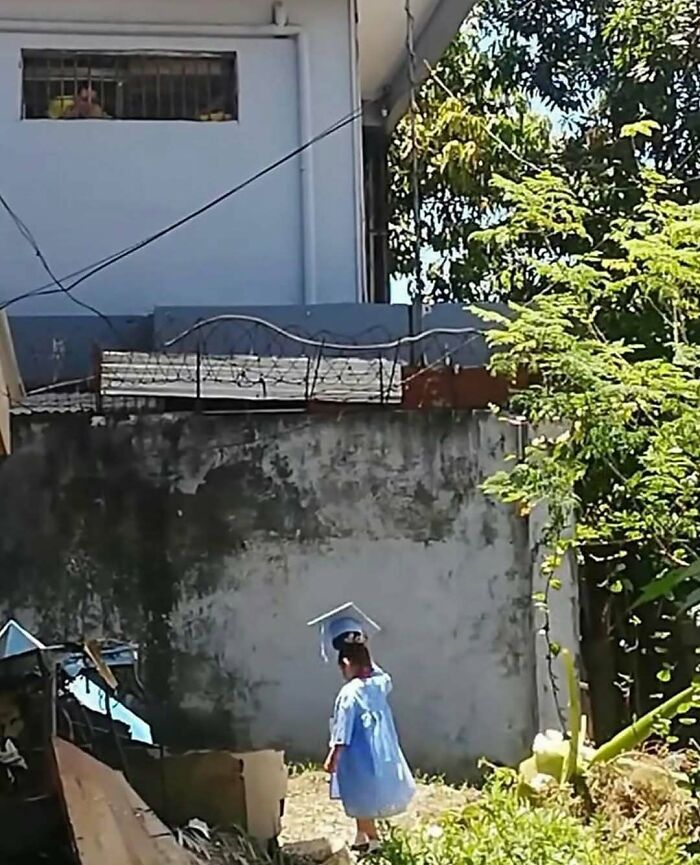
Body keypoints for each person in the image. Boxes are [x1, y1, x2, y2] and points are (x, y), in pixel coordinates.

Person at [310, 606, 414, 855]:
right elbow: (382, 674)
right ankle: (360, 837)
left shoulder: (349, 693)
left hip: (356, 755)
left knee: (359, 796)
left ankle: (374, 842)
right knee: (364, 794)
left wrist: (333, 756)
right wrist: (365, 650)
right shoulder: (378, 683)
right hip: (379, 752)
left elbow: (343, 728)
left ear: (345, 663)